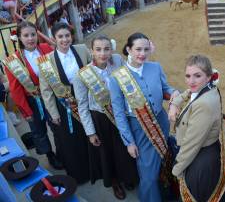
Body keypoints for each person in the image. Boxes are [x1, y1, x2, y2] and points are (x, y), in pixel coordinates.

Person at [109, 32, 179, 202]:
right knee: (148, 172)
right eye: (138, 49)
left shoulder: (155, 67)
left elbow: (165, 88)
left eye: (146, 49)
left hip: (161, 122)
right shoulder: (117, 78)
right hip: (139, 128)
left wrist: (174, 93)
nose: (142, 53)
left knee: (165, 160)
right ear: (128, 50)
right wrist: (129, 142)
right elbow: (118, 113)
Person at [73, 35, 138, 199]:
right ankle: (115, 182)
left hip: (121, 115)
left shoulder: (117, 60)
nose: (103, 53)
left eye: (106, 49)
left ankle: (128, 176)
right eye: (98, 49)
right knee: (107, 153)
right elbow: (82, 105)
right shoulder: (82, 74)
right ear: (91, 51)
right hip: (100, 119)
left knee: (124, 148)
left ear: (112, 49)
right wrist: (90, 132)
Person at [168, 55, 225, 201]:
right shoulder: (208, 88)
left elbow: (191, 143)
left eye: (197, 76)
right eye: (188, 76)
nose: (191, 81)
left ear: (208, 77)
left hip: (199, 160)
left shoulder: (204, 104)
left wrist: (177, 169)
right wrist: (174, 104)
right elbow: (190, 92)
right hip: (205, 154)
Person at [2, 21, 62, 169]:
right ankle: (50, 155)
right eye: (26, 35)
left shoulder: (46, 48)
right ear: (20, 38)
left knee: (58, 125)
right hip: (32, 100)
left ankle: (62, 151)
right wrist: (25, 110)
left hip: (51, 96)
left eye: (33, 34)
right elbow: (16, 89)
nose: (30, 38)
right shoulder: (13, 61)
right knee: (39, 130)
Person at [38, 22, 91, 184]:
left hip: (85, 100)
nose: (64, 39)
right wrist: (53, 113)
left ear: (71, 36)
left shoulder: (82, 49)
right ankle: (78, 175)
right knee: (69, 141)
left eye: (67, 35)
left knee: (88, 135)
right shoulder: (46, 61)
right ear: (54, 38)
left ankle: (94, 169)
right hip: (63, 105)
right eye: (60, 36)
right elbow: (46, 90)